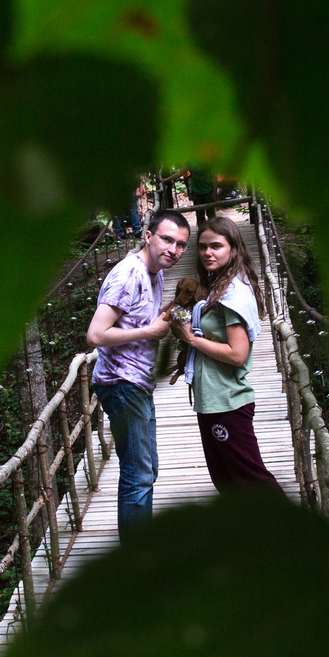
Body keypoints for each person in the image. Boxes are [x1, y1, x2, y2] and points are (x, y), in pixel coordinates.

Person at [86, 210, 192, 529]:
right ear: (148, 236)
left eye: (181, 245)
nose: (173, 249)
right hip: (121, 383)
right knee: (137, 474)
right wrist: (148, 332)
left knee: (146, 470)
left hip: (138, 382)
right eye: (167, 239)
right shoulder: (128, 275)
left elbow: (135, 317)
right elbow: (95, 334)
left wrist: (168, 315)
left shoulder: (155, 272)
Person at [171, 216, 282, 495]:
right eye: (203, 246)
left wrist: (190, 339)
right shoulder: (217, 286)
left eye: (216, 246)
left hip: (228, 401)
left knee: (252, 481)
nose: (208, 252)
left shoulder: (233, 292)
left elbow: (237, 354)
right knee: (227, 483)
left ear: (233, 248)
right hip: (211, 399)